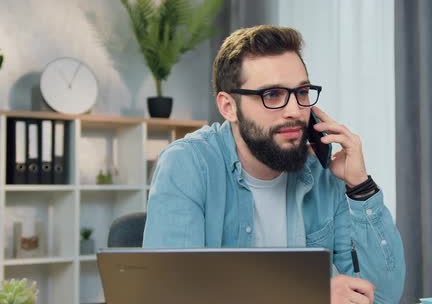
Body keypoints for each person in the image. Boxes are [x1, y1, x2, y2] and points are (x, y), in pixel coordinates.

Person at [143, 25, 405, 304]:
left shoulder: (322, 170)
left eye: (302, 92)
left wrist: (360, 186)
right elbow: (172, 296)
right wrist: (309, 296)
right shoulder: (188, 165)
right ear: (228, 106)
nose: (294, 110)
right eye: (272, 95)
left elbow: (383, 298)